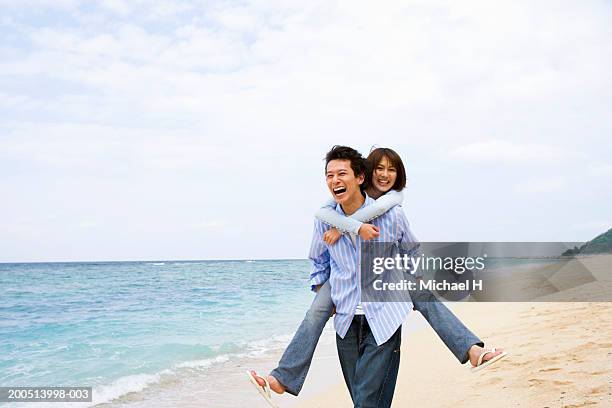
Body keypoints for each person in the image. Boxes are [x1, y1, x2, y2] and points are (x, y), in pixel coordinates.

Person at [248, 146, 506, 406]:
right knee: (363, 399)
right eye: (329, 175)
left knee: (367, 402)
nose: (335, 180)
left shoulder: (392, 213)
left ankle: (472, 349)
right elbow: (319, 260)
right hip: (347, 320)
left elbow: (412, 250)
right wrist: (321, 291)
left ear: (360, 177)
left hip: (384, 317)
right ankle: (282, 378)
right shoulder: (325, 217)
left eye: (342, 174)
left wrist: (413, 281)